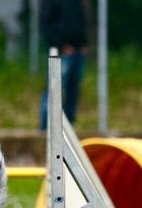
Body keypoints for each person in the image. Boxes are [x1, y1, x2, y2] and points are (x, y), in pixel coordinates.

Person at [39, 0, 88, 130]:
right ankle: (46, 129)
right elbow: (45, 25)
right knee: (54, 91)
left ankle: (67, 129)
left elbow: (80, 21)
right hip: (60, 53)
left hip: (78, 52)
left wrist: (83, 44)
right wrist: (61, 46)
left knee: (73, 93)